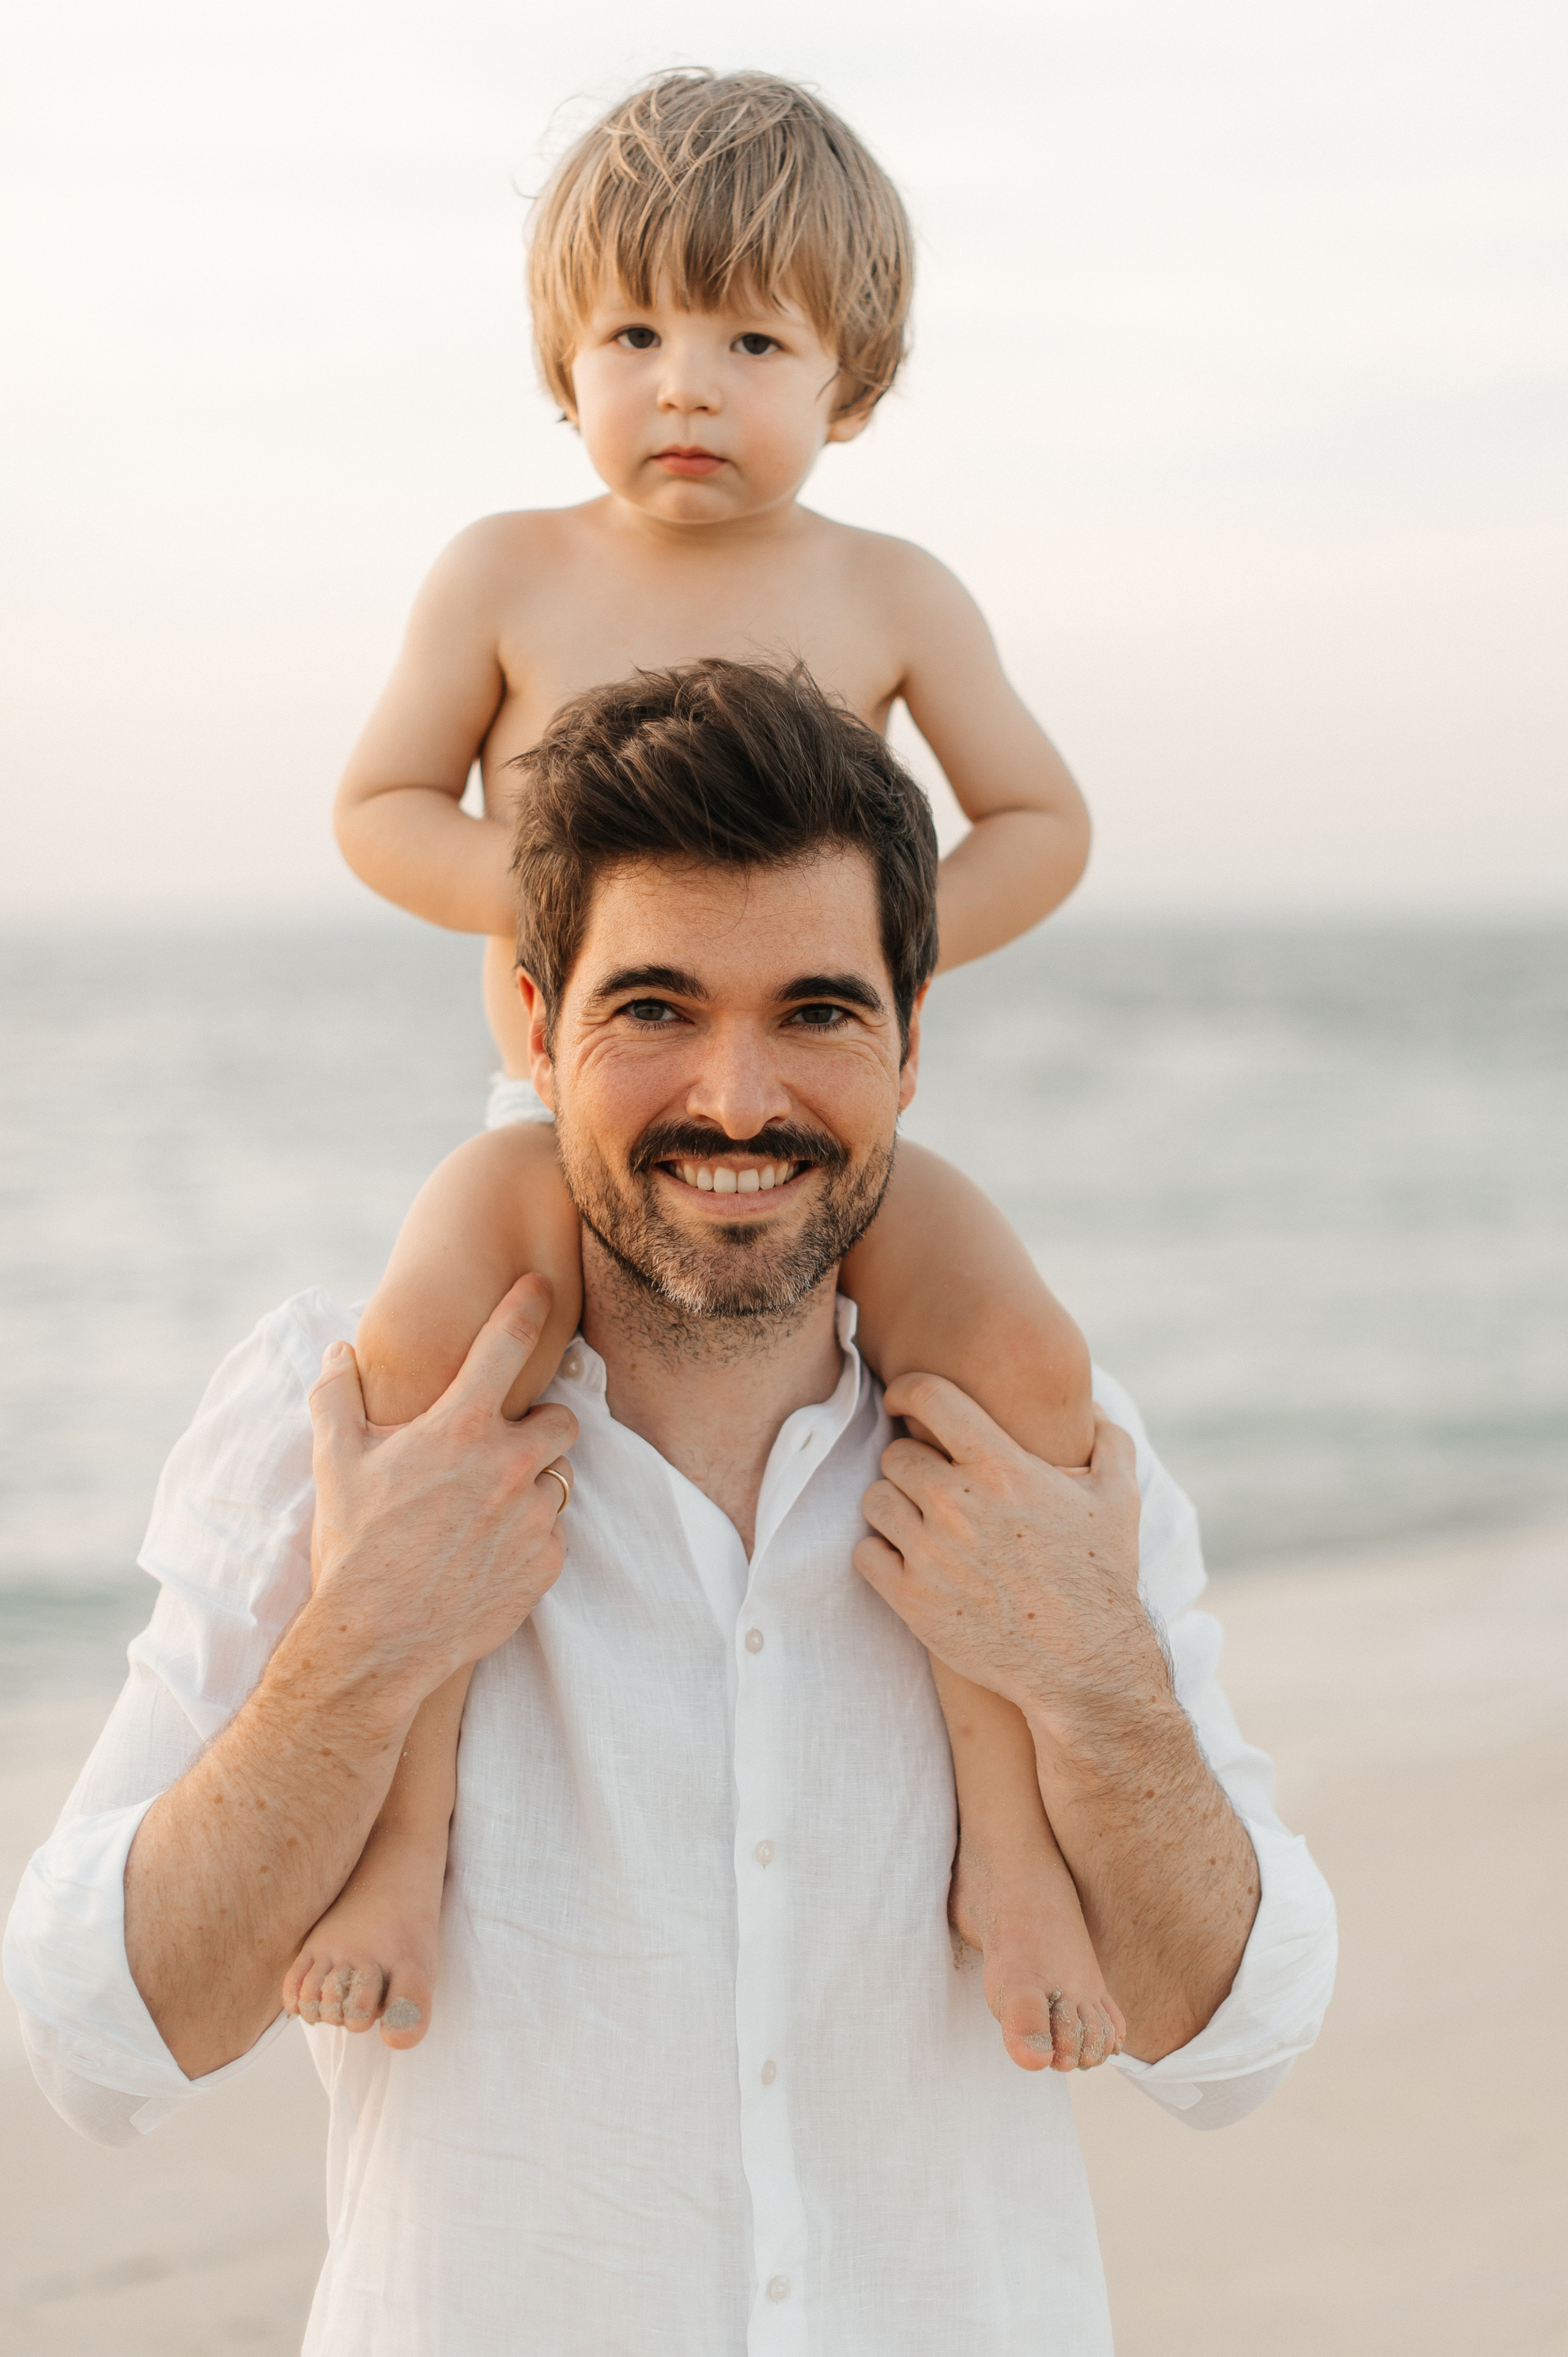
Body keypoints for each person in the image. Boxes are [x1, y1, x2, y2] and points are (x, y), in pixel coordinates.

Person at [6, 663, 1336, 2355]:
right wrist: (363, 1647)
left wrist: (1084, 1665)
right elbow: (97, 2046)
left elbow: (1240, 2045)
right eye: (655, 1009)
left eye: (817, 1011)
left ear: (913, 1046)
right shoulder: (343, 1431)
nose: (736, 1097)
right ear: (539, 1033)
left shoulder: (1034, 1458)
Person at [317, 66, 1112, 2074]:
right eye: (636, 335)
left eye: (753, 339)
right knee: (423, 1368)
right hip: (563, 1127)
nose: (688, 382)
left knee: (1021, 1372)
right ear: (561, 361)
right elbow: (379, 803)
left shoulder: (885, 592)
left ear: (850, 381)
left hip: (820, 1139)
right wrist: (590, 925)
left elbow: (1039, 820)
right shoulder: (508, 571)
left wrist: (854, 964)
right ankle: (402, 1839)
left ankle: (1010, 1847)